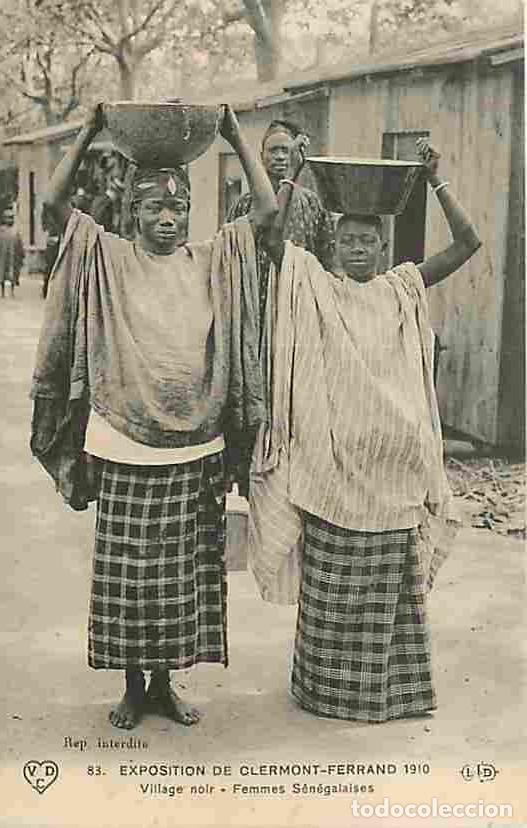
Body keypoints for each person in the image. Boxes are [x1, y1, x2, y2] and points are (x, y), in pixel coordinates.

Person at [30, 102, 276, 730]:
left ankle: (164, 684)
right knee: (129, 572)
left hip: (196, 442)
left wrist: (235, 136)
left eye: (178, 208)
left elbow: (267, 213)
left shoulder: (212, 260)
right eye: (154, 209)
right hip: (123, 438)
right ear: (132, 212)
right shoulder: (108, 257)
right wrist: (90, 131)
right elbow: (54, 206)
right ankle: (132, 687)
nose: (168, 219)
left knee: (180, 574)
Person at [249, 139, 481, 722]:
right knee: (332, 588)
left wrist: (436, 180)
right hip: (332, 467)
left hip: (393, 469)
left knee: (388, 593)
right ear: (333, 246)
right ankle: (325, 692)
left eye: (366, 241)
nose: (356, 249)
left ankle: (393, 694)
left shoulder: (401, 286)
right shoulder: (314, 284)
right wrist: (294, 173)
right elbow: (270, 236)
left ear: (383, 247)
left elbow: (468, 243)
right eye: (347, 240)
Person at [228, 119, 334, 329]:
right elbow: (229, 257)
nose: (280, 156)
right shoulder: (244, 205)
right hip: (254, 311)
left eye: (285, 151)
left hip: (300, 309)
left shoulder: (312, 203)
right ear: (261, 156)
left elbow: (327, 259)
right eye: (273, 150)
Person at [0, 202, 24, 298]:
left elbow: (20, 245)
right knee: (2, 273)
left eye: (11, 218)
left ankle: (12, 291)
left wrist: (21, 254)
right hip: (2, 257)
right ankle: (2, 292)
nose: (10, 220)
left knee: (12, 273)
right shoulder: (1, 231)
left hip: (13, 257)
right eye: (8, 218)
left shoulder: (15, 231)